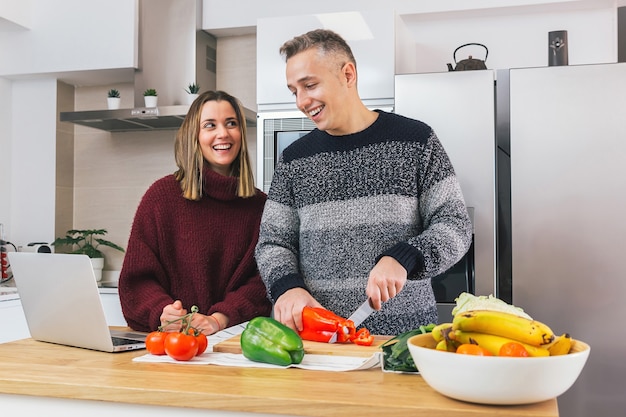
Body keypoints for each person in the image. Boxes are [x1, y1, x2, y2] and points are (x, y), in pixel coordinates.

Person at [255, 29, 473, 336]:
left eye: (310, 85)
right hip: (318, 342)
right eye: (294, 91)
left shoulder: (415, 140)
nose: (302, 101)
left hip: (404, 340)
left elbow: (454, 225)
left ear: (347, 74)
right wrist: (287, 287)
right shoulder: (294, 160)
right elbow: (272, 244)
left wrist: (404, 257)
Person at [119, 90, 271, 335]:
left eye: (231, 123)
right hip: (172, 345)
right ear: (195, 135)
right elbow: (136, 282)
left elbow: (261, 283)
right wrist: (163, 311)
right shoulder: (160, 198)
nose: (223, 133)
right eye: (210, 125)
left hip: (236, 343)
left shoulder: (260, 206)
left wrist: (218, 319)